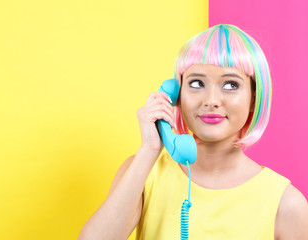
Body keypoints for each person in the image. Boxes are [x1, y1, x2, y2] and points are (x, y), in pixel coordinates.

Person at [78, 24, 308, 240]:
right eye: (197, 83)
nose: (211, 101)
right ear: (175, 94)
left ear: (253, 98)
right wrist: (148, 150)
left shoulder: (286, 203)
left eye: (231, 85)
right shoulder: (142, 172)